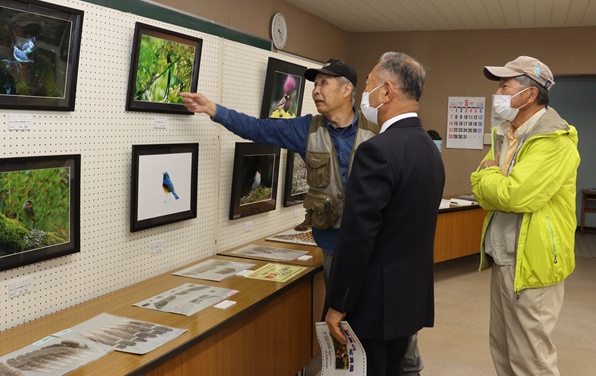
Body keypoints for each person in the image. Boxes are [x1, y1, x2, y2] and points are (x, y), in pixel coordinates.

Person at [181, 58, 379, 284]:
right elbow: (257, 129)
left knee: (371, 309)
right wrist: (213, 109)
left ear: (346, 89)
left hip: (373, 240)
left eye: (323, 83)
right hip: (332, 242)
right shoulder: (306, 129)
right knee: (337, 309)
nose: (315, 91)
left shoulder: (377, 130)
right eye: (315, 85)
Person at [324, 52, 446, 376]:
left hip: (374, 306)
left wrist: (339, 304)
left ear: (387, 92)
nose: (364, 95)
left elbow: (358, 237)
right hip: (409, 298)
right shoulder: (429, 150)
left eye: (368, 85)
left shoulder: (376, 151)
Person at [470, 56, 580, 376]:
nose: (499, 92)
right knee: (503, 347)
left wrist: (490, 178)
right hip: (505, 256)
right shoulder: (507, 132)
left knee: (531, 357)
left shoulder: (553, 139)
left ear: (530, 95)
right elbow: (483, 187)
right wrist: (490, 180)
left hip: (533, 261)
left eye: (506, 85)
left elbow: (515, 196)